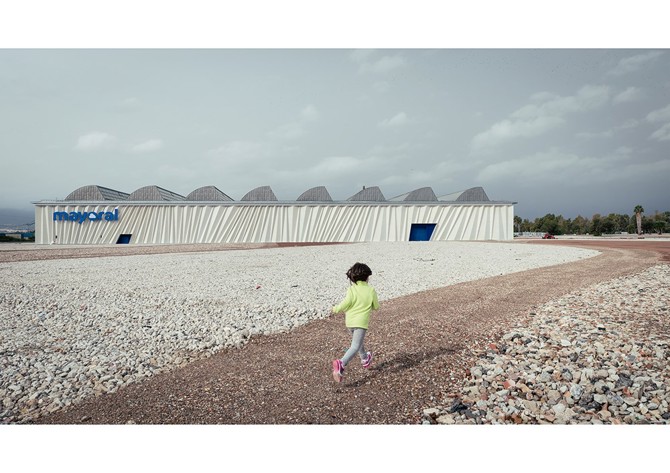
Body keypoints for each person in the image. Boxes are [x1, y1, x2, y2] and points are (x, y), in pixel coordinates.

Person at [331, 262, 380, 383]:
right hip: (361, 323)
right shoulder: (371, 290)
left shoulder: (352, 289)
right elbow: (376, 306)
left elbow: (346, 303)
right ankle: (341, 363)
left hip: (350, 322)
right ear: (367, 277)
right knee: (355, 346)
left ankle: (365, 358)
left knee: (358, 342)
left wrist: (336, 308)